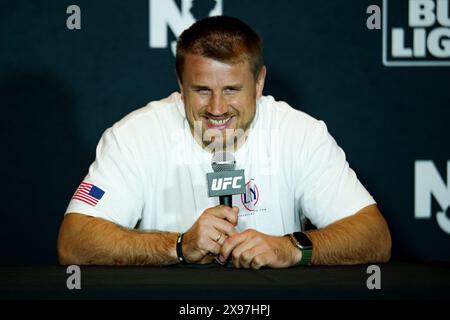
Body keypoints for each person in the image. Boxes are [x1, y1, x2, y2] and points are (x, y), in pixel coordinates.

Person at [57, 16, 391, 269]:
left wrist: (291, 248)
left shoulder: (300, 133)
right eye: (202, 90)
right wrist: (177, 246)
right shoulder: (134, 135)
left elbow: (375, 237)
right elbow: (73, 242)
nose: (217, 109)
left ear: (259, 83)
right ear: (180, 84)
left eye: (231, 90)